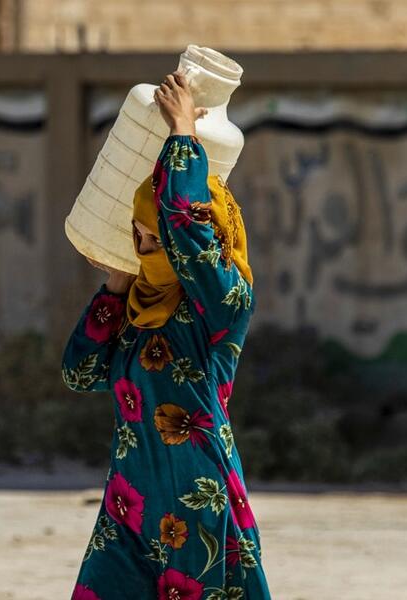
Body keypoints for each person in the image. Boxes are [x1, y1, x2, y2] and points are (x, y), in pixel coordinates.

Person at [62, 70, 272, 599]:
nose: (144, 246)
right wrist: (114, 282)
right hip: (129, 505)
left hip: (196, 507)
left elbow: (184, 222)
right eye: (136, 236)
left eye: (153, 239)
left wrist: (183, 132)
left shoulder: (221, 306)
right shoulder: (137, 314)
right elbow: (79, 372)